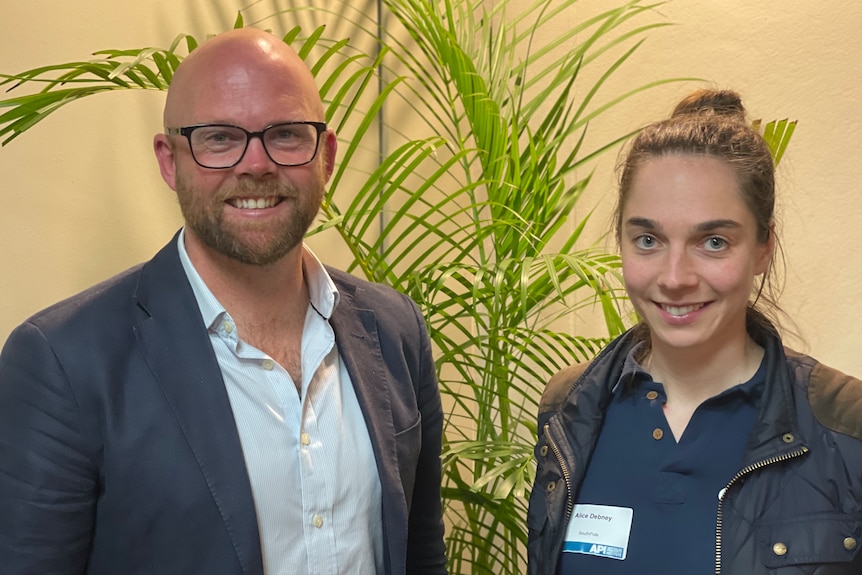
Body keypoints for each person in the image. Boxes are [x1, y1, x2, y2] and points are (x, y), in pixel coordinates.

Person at [0, 28, 447, 575]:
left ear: (325, 155)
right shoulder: (63, 363)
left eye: (285, 134)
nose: (255, 165)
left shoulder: (395, 331)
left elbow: (421, 552)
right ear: (170, 161)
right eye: (218, 138)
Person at [527, 89, 862, 574]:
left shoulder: (845, 425)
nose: (675, 277)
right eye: (648, 240)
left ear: (764, 246)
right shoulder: (570, 407)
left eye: (713, 241)